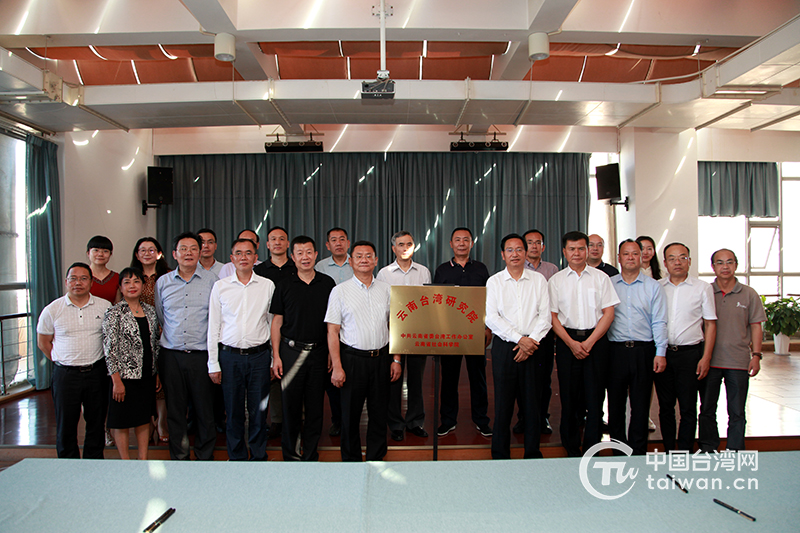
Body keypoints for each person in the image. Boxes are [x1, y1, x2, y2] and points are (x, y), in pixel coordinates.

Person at [325, 241, 401, 461]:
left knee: (379, 413)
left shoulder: (387, 290)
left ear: (376, 261)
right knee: (350, 414)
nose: (364, 260)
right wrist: (337, 367)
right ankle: (351, 461)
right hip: (352, 360)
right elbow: (332, 331)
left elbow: (395, 325)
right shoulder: (339, 291)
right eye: (359, 256)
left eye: (369, 256)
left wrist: (396, 359)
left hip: (381, 359)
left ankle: (376, 458)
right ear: (351, 261)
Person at [549, 231, 619, 457]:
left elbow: (609, 313)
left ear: (587, 250)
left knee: (595, 397)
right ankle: (570, 447)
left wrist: (589, 342)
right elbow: (552, 317)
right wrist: (571, 343)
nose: (577, 253)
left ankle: (592, 447)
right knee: (569, 397)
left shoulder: (601, 278)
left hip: (596, 342)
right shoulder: (556, 280)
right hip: (567, 342)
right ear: (564, 252)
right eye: (572, 249)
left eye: (581, 248)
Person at [207, 238, 275, 461]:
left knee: (259, 411)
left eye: (248, 253)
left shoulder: (267, 286)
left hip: (259, 356)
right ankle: (236, 457)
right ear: (231, 258)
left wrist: (273, 359)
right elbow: (213, 326)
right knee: (233, 411)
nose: (243, 257)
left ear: (256, 258)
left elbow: (272, 323)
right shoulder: (221, 286)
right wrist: (213, 363)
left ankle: (258, 456)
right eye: (238, 253)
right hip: (230, 357)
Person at [37, 262, 112, 458]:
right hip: (65, 375)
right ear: (66, 282)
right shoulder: (53, 309)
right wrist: (61, 361)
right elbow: (43, 342)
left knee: (96, 422)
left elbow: (110, 340)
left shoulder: (105, 306)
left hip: (96, 373)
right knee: (66, 424)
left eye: (83, 278)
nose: (78, 283)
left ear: (91, 282)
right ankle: (68, 464)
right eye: (73, 279)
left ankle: (93, 462)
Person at [270, 236, 336, 461]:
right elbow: (277, 322)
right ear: (293, 257)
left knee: (315, 406)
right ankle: (290, 454)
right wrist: (276, 355)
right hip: (290, 352)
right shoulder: (284, 285)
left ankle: (310, 453)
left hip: (319, 353)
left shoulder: (327, 284)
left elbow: (332, 323)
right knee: (291, 406)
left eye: (309, 252)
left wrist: (331, 353)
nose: (305, 257)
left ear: (316, 255)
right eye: (299, 253)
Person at [486, 234, 551, 459]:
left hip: (534, 346)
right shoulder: (494, 282)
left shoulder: (538, 280)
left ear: (526, 253)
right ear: (503, 255)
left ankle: (532, 452)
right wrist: (519, 340)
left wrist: (530, 341)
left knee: (533, 403)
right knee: (503, 404)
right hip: (505, 348)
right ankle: (500, 454)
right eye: (510, 250)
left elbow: (545, 316)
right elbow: (491, 317)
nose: (515, 254)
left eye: (519, 249)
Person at [155, 232, 218, 461]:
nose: (188, 253)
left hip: (201, 355)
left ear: (200, 252)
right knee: (175, 409)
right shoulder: (163, 282)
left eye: (193, 248)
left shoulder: (213, 281)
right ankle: (179, 457)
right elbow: (161, 317)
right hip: (171, 355)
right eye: (183, 248)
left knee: (204, 409)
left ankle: (205, 456)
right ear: (174, 254)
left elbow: (216, 318)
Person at [699, 249, 766, 452]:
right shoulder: (705, 292)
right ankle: (708, 448)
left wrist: (756, 355)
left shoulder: (749, 293)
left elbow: (756, 326)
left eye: (729, 262)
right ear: (713, 267)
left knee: (737, 411)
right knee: (707, 409)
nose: (725, 267)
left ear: (736, 265)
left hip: (738, 361)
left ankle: (735, 450)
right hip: (709, 361)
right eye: (720, 263)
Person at [606, 240, 668, 455]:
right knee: (615, 404)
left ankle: (638, 451)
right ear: (619, 257)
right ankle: (618, 449)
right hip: (615, 351)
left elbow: (659, 321)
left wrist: (661, 352)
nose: (630, 257)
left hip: (644, 351)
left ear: (641, 257)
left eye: (635, 254)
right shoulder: (609, 285)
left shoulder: (653, 286)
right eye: (626, 254)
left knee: (640, 405)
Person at [654, 242, 716, 452]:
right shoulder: (657, 287)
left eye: (682, 257)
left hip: (690, 354)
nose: (677, 262)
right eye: (672, 258)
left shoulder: (702, 288)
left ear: (689, 261)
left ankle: (685, 451)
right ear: (665, 263)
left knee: (688, 407)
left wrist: (706, 358)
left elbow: (710, 324)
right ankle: (669, 450)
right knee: (665, 407)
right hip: (663, 354)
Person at [433, 227, 493, 438]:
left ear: (471, 243)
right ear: (451, 244)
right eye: (457, 240)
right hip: (450, 333)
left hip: (476, 332)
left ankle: (482, 420)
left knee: (478, 379)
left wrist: (488, 328)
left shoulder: (481, 269)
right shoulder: (442, 270)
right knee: (449, 379)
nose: (461, 243)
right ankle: (448, 420)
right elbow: (436, 303)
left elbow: (489, 301)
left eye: (465, 240)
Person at [376, 231, 432, 441]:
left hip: (418, 332)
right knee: (393, 380)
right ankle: (396, 424)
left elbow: (428, 302)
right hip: (394, 333)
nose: (405, 248)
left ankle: (415, 422)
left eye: (409, 244)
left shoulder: (423, 272)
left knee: (417, 381)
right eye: (401, 244)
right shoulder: (384, 273)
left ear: (414, 247)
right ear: (394, 248)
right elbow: (382, 306)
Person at [102, 267, 161, 460]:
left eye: (136, 281)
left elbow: (155, 344)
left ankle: (143, 459)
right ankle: (125, 461)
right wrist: (116, 381)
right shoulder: (114, 312)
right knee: (122, 421)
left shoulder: (150, 311)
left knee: (144, 419)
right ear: (120, 287)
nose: (132, 286)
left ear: (143, 285)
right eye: (127, 282)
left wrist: (156, 372)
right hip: (124, 378)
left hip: (146, 375)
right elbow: (109, 349)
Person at [254, 226, 297, 441]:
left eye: (282, 239)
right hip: (267, 328)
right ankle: (277, 420)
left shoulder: (297, 266)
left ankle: (297, 419)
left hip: (295, 330)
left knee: (295, 377)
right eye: (273, 239)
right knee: (273, 377)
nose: (278, 242)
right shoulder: (259, 270)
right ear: (267, 244)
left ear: (288, 244)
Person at [515, 229, 558, 436]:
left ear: (543, 246)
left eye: (537, 242)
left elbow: (554, 303)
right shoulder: (516, 268)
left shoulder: (552, 269)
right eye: (529, 242)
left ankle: (542, 418)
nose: (534, 246)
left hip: (544, 333)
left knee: (543, 379)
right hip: (521, 334)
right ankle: (523, 418)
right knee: (520, 380)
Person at [130, 236, 171, 443]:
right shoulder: (131, 276)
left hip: (164, 334)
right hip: (138, 335)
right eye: (142, 250)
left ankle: (162, 421)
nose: (147, 253)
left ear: (159, 254)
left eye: (151, 249)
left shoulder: (168, 275)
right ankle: (147, 422)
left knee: (162, 381)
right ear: (137, 255)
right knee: (143, 380)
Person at [315, 227, 354, 437]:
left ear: (348, 243)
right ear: (327, 245)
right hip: (328, 328)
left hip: (352, 330)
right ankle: (337, 420)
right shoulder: (319, 267)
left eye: (342, 239)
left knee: (350, 379)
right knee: (331, 380)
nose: (338, 243)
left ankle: (349, 420)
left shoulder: (356, 263)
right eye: (333, 240)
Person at [86, 235, 120, 303]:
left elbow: (118, 304)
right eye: (96, 250)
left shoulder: (117, 278)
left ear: (110, 254)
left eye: (105, 251)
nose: (100, 254)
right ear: (88, 253)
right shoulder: (81, 276)